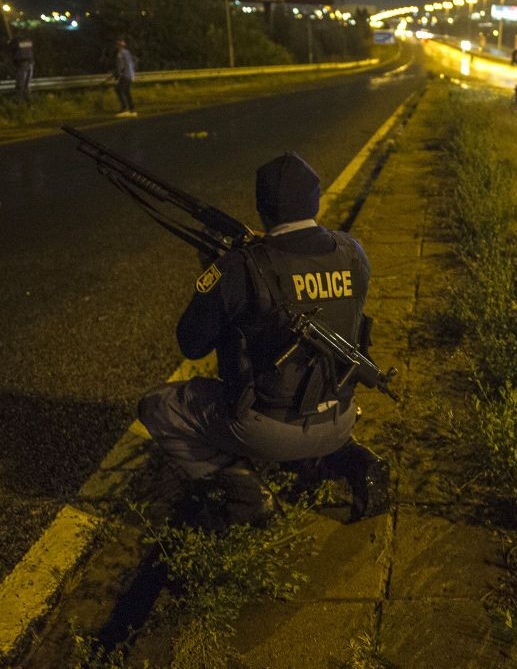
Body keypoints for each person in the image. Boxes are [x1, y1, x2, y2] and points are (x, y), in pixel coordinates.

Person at [139, 152, 390, 526]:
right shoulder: (353, 253)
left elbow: (191, 343)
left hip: (267, 427)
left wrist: (218, 272)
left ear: (261, 206)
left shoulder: (243, 266)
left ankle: (247, 496)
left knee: (159, 405)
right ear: (315, 200)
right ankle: (354, 461)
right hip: (341, 415)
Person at [112, 37, 137, 117]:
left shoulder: (120, 53)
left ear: (118, 45)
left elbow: (120, 66)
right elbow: (132, 62)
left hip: (125, 75)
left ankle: (124, 108)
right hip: (130, 75)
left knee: (119, 90)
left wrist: (118, 74)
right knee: (126, 91)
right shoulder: (127, 52)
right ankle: (132, 109)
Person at [9, 32, 35, 102]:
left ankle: (18, 100)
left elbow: (11, 49)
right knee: (27, 84)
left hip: (22, 64)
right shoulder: (29, 40)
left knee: (20, 84)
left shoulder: (15, 41)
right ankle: (28, 99)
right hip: (31, 63)